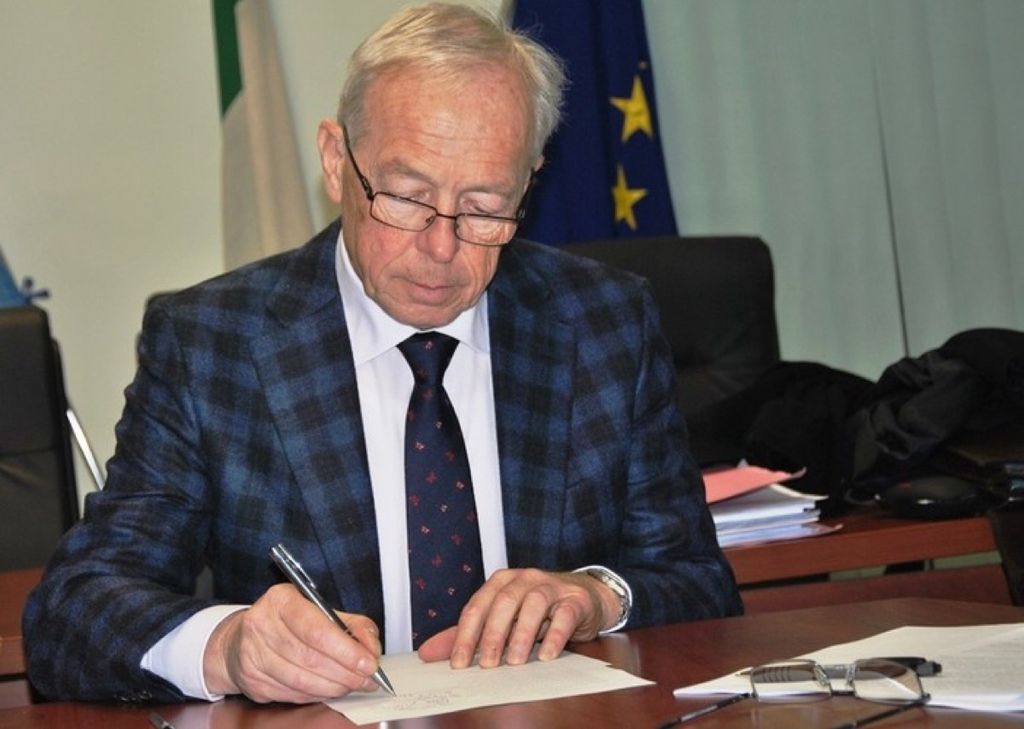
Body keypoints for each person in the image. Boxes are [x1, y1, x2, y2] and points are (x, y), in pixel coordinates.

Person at [23, 2, 742, 705]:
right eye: (405, 197)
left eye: (485, 207)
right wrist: (231, 646)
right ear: (337, 161)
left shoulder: (603, 322)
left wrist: (596, 595)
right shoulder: (213, 342)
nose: (441, 246)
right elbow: (72, 610)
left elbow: (699, 582)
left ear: (530, 181)